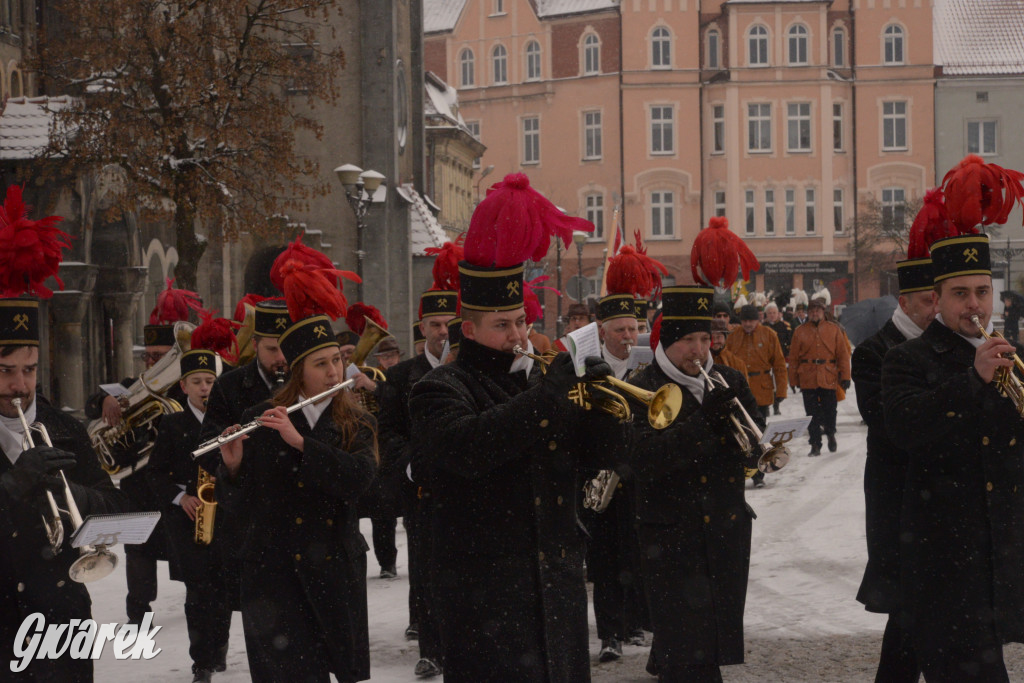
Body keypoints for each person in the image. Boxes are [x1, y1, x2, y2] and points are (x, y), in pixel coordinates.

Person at [409, 173, 623, 682]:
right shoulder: (440, 387)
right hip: (487, 593)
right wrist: (550, 396)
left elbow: (599, 460)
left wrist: (602, 410)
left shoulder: (539, 381)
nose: (517, 335)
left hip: (556, 584)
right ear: (470, 330)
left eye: (521, 323)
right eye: (502, 325)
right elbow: (472, 446)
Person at [217, 246, 376, 683]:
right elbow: (242, 506)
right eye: (321, 364)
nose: (332, 372)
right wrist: (232, 469)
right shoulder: (264, 416)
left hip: (333, 572)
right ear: (298, 372)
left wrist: (303, 444)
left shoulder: (354, 419)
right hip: (274, 576)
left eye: (337, 361)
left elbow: (360, 480)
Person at [883, 233, 1024, 682]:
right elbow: (905, 428)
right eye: (960, 294)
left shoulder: (1011, 356)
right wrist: (973, 378)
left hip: (1008, 544)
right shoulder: (906, 359)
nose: (975, 306)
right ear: (937, 299)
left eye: (982, 292)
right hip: (948, 555)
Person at [0, 192, 128, 682]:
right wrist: (12, 488)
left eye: (30, 369)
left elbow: (118, 515)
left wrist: (74, 495)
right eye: (7, 371)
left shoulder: (66, 428)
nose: (20, 385)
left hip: (62, 618)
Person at [628, 285, 760, 682]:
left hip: (723, 528)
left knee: (712, 638)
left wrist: (753, 449)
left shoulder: (728, 380)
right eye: (688, 340)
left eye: (705, 339)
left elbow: (751, 448)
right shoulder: (642, 386)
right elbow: (642, 461)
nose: (699, 350)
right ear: (668, 340)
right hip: (671, 535)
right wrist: (705, 425)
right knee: (687, 647)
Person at [84, 280, 197, 624]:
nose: (151, 363)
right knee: (139, 552)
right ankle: (138, 615)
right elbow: (94, 403)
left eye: (160, 358)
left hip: (173, 486)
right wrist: (103, 400)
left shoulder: (185, 394)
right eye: (148, 356)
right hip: (137, 486)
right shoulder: (130, 387)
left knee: (188, 553)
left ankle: (200, 610)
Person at [852, 257, 935, 683]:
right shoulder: (873, 352)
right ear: (904, 301)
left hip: (938, 499)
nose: (937, 308)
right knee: (908, 607)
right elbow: (888, 425)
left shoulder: (947, 344)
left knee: (926, 612)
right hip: (896, 500)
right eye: (928, 300)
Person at [378, 281, 457, 677]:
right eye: (435, 324)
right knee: (426, 569)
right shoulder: (401, 377)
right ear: (422, 327)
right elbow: (388, 431)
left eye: (449, 324)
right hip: (422, 489)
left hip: (466, 487)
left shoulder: (467, 368)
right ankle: (431, 649)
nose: (443, 331)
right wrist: (410, 464)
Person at [146, 345, 233, 683]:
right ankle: (202, 662)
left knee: (224, 587)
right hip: (187, 521)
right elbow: (154, 474)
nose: (204, 388)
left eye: (210, 380)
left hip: (223, 516)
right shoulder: (171, 424)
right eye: (196, 381)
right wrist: (180, 496)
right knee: (198, 593)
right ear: (183, 387)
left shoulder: (227, 421)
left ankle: (219, 646)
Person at [724, 304, 787, 486]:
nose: (748, 324)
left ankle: (759, 474)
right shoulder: (733, 337)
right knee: (741, 433)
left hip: (762, 389)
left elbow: (779, 365)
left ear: (758, 320)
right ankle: (744, 470)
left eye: (751, 320)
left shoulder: (769, 335)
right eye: (744, 321)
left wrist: (781, 391)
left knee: (760, 433)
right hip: (739, 391)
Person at [788, 298, 851, 456]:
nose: (814, 313)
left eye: (818, 310)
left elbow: (843, 355)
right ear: (808, 313)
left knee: (830, 410)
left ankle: (830, 433)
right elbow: (793, 357)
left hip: (828, 375)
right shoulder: (800, 331)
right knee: (811, 413)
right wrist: (793, 379)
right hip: (807, 377)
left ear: (824, 312)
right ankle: (815, 443)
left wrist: (846, 376)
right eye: (812, 311)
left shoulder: (834, 329)